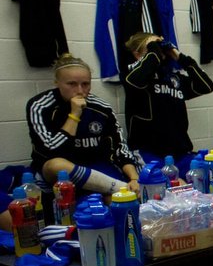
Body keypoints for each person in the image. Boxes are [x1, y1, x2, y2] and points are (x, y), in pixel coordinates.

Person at [27, 54, 140, 197]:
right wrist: (74, 115)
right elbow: (50, 152)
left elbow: (119, 148)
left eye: (85, 84)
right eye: (72, 84)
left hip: (96, 169)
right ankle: (120, 189)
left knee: (120, 205)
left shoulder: (102, 108)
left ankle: (121, 189)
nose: (80, 90)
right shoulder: (40, 106)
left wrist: (134, 178)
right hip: (60, 173)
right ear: (57, 82)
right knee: (55, 165)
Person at [122, 32, 213, 172]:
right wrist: (153, 50)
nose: (159, 51)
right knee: (166, 187)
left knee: (210, 173)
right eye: (152, 47)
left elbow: (207, 86)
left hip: (180, 153)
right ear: (137, 54)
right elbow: (135, 81)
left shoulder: (173, 79)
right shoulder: (132, 76)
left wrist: (180, 57)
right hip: (149, 154)